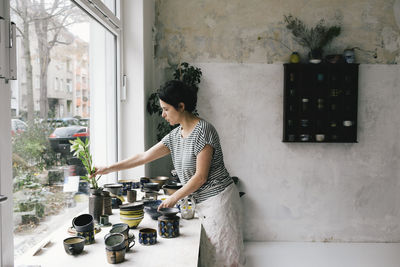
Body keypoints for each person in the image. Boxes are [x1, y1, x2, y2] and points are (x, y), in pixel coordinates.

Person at [93, 80, 245, 267]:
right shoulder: (175, 136)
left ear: (181, 106)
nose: (163, 114)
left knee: (226, 261)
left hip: (219, 203)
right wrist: (108, 168)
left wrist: (174, 198)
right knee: (209, 259)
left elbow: (200, 177)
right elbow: (143, 156)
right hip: (202, 204)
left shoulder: (203, 131)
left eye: (166, 109)